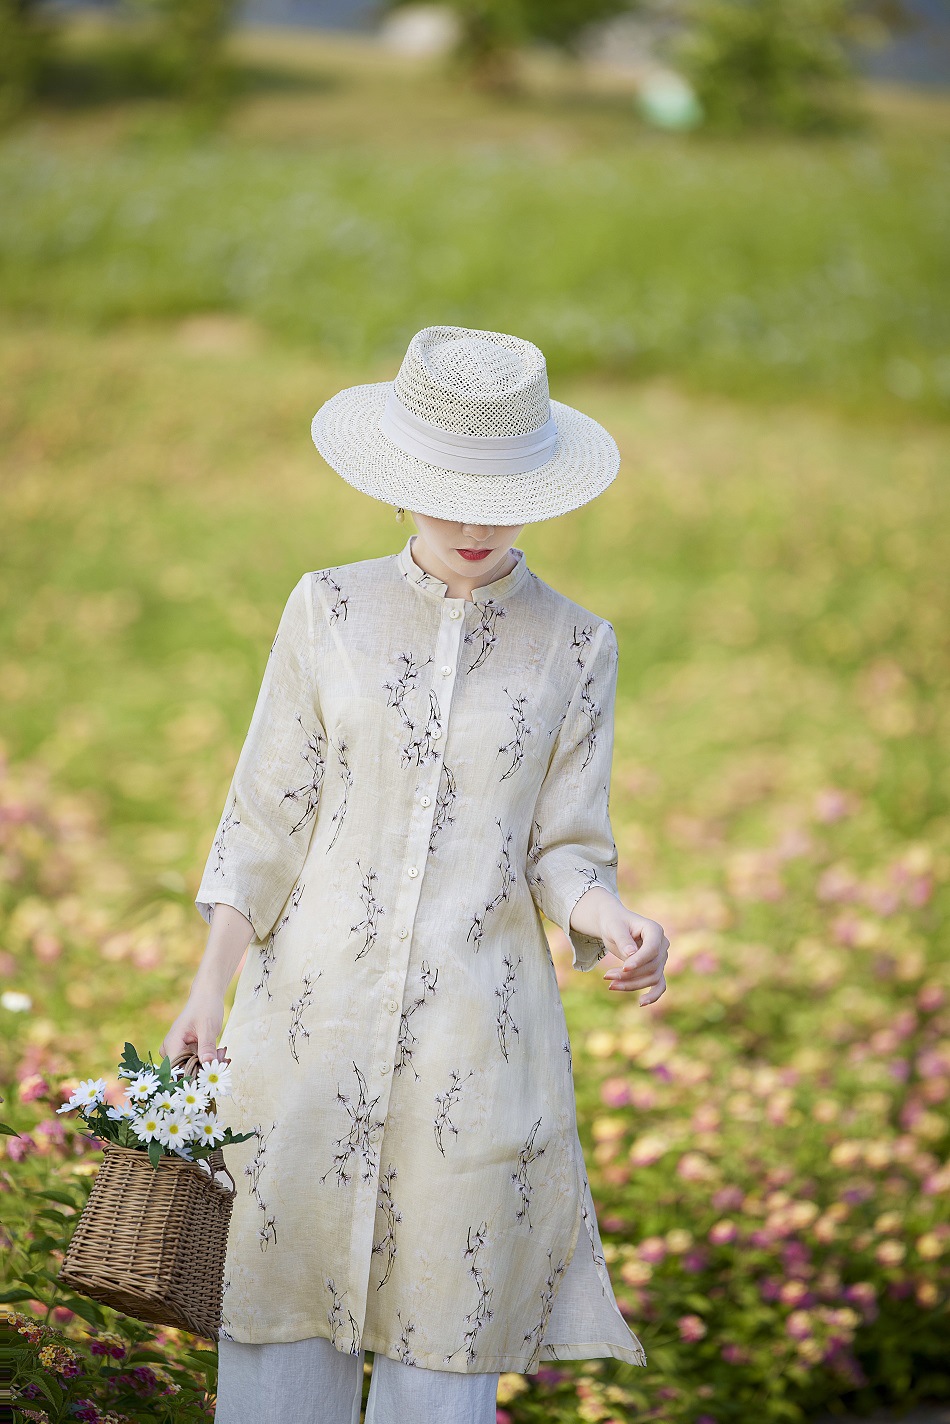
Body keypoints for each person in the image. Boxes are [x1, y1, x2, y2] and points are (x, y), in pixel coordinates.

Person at [161, 325, 670, 1424]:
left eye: (502, 497)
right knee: (278, 1328)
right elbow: (265, 815)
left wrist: (615, 918)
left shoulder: (576, 645)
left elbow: (564, 846)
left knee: (445, 1342)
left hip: (477, 1044)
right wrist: (207, 985)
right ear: (399, 484)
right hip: (306, 1026)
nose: (477, 525)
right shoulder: (327, 608)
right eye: (449, 496)